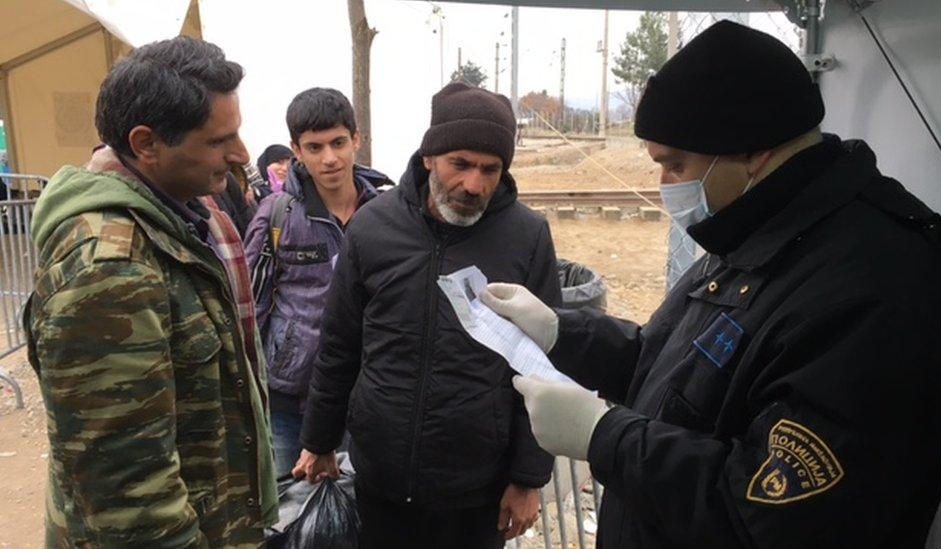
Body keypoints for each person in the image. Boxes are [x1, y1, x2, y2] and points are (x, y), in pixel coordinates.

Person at [479, 21, 941, 548]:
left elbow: (767, 518)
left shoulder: (877, 294)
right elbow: (673, 365)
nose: (665, 185)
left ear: (751, 152)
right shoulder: (762, 228)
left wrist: (606, 437)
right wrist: (562, 333)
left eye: (675, 164)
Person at [24, 37, 277, 547]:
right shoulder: (109, 268)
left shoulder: (182, 222)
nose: (240, 155)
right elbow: (130, 498)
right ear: (145, 144)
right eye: (217, 140)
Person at [293, 82, 562, 548]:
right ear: (428, 158)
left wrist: (528, 478)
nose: (474, 185)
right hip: (382, 481)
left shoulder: (527, 237)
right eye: (460, 164)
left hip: (476, 491)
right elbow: (339, 344)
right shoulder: (373, 227)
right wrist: (318, 441)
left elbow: (544, 366)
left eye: (490, 169)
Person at [244, 88, 392, 476]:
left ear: (356, 139)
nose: (329, 159)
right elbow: (249, 307)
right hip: (288, 401)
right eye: (315, 147)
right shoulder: (277, 214)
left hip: (365, 395)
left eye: (338, 143)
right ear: (296, 150)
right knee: (287, 514)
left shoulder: (386, 216)